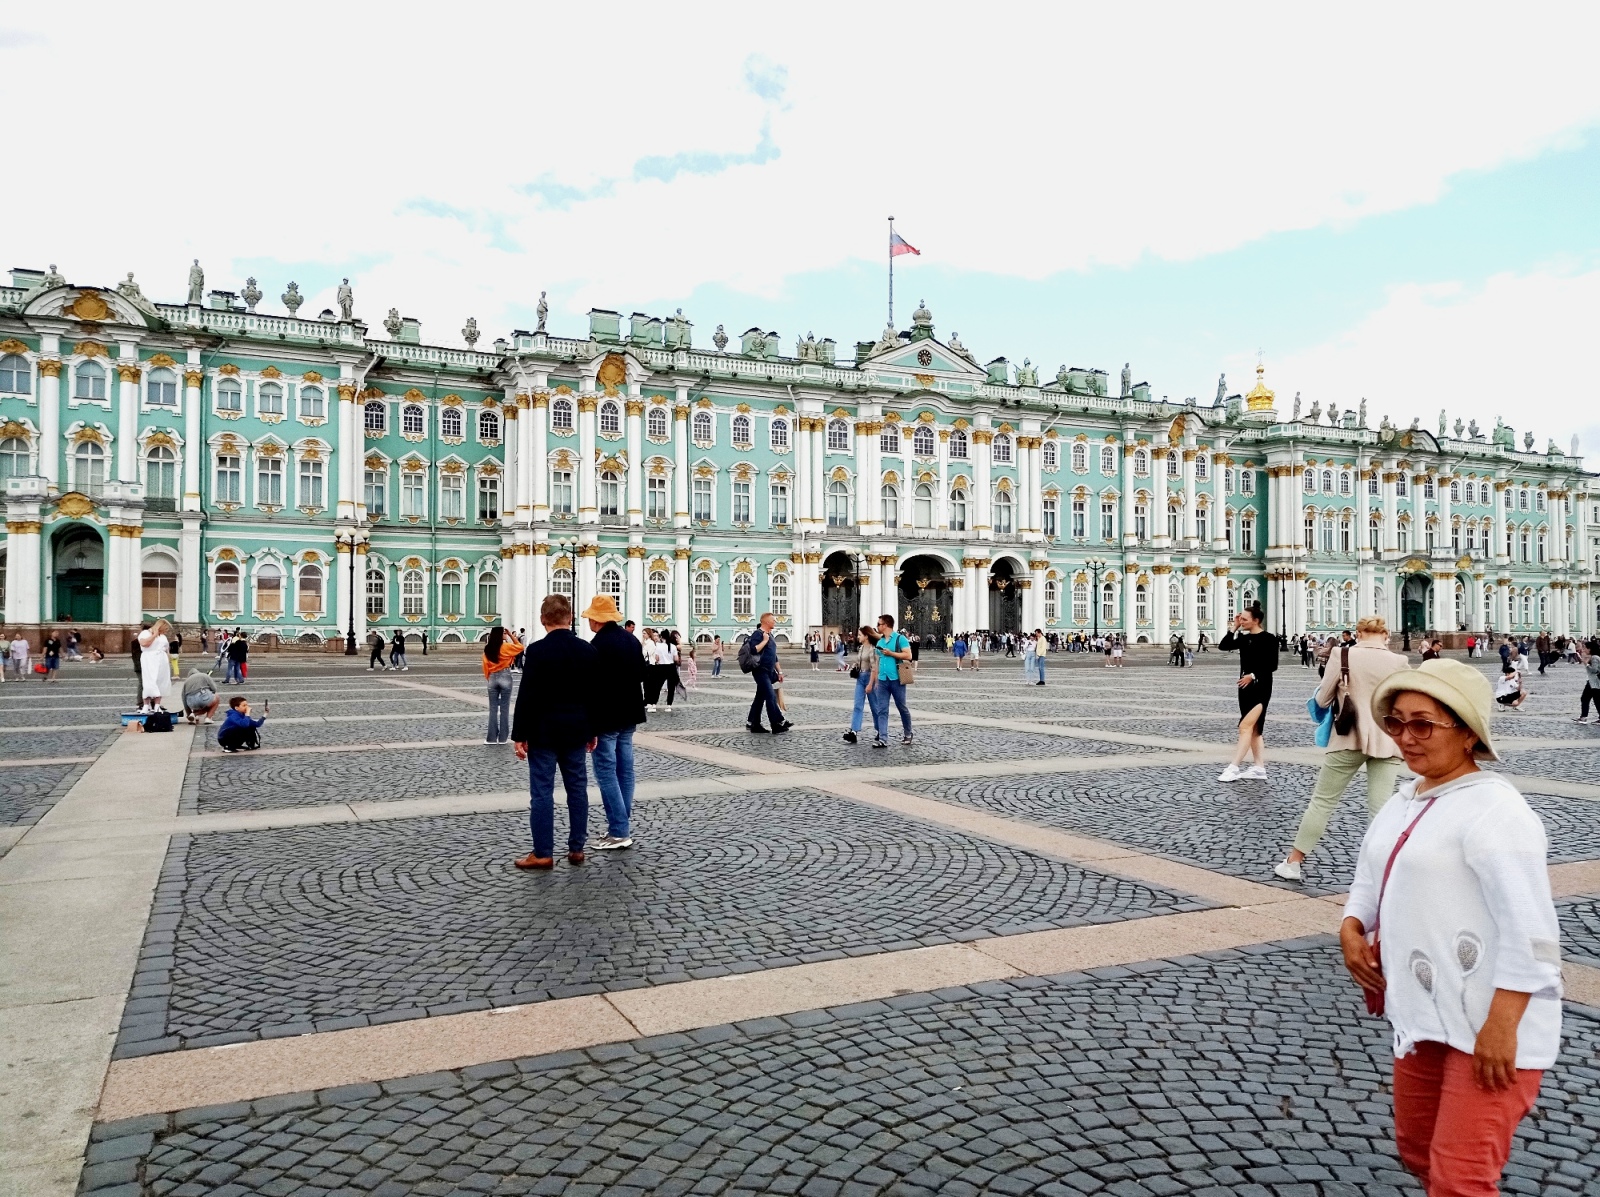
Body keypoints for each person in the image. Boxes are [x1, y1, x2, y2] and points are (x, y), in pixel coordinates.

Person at [1341, 659, 1561, 1197]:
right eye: (1396, 723)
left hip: (1491, 1026)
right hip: (1423, 1016)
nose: (1406, 738)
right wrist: (1352, 924)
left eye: (1424, 724)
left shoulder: (1496, 812)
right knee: (1418, 1150)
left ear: (1466, 733)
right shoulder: (1405, 799)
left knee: (1460, 1179)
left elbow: (1533, 932)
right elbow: (1373, 873)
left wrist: (1501, 1026)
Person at [1274, 616, 1409, 882]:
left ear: (1358, 632)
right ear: (1386, 634)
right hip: (1387, 740)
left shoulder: (1342, 654)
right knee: (1380, 808)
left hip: (1348, 736)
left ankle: (1293, 863)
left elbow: (1322, 698)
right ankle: (1380, 871)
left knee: (1323, 802)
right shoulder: (1399, 662)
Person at [510, 595, 597, 869]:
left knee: (542, 793)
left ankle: (543, 853)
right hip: (576, 732)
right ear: (570, 618)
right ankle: (577, 849)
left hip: (543, 733)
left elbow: (527, 696)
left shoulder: (535, 652)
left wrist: (519, 735)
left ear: (542, 619)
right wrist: (592, 730)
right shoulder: (587, 650)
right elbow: (593, 697)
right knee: (578, 790)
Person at [583, 594, 645, 851]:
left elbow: (591, 687)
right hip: (629, 713)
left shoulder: (596, 645)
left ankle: (619, 830)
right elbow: (642, 673)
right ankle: (619, 825)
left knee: (606, 772)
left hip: (606, 717)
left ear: (596, 620)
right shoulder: (631, 640)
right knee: (625, 771)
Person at [1218, 604, 1277, 782]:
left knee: (1244, 727)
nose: (1241, 621)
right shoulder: (1244, 639)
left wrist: (1252, 675)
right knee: (1255, 731)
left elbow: (1271, 665)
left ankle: (1233, 767)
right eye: (1240, 618)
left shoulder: (1269, 639)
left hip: (1261, 688)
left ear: (1256, 620)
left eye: (1244, 619)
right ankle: (1259, 768)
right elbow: (1223, 645)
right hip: (1244, 688)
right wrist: (1234, 627)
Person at [872, 613, 913, 747]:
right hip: (883, 679)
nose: (877, 626)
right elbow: (877, 661)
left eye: (879, 624)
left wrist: (891, 653)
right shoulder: (880, 641)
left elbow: (908, 655)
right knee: (882, 709)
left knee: (902, 707)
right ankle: (883, 738)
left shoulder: (900, 639)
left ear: (886, 625)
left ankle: (908, 733)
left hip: (897, 679)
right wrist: (876, 678)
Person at [745, 612, 789, 734]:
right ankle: (776, 724)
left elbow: (774, 656)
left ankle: (755, 724)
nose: (775, 622)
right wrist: (764, 641)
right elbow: (754, 650)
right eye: (773, 620)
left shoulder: (771, 635)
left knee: (760, 698)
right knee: (770, 696)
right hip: (760, 670)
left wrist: (779, 671)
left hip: (769, 671)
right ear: (766, 622)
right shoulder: (757, 634)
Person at [482, 625, 522, 744]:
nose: (505, 634)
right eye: (504, 633)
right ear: (501, 635)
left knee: (493, 709)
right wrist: (511, 636)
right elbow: (520, 647)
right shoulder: (506, 647)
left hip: (493, 677)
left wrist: (489, 678)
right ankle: (503, 738)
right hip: (505, 676)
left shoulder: (488, 649)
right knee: (505, 709)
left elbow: (485, 665)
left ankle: (491, 738)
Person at [842, 625, 880, 744]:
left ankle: (880, 730)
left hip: (870, 678)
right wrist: (855, 667)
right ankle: (854, 731)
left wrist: (870, 684)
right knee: (858, 705)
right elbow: (859, 661)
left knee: (875, 707)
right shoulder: (862, 648)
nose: (857, 637)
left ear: (866, 636)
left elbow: (874, 668)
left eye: (859, 635)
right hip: (860, 678)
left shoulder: (873, 649)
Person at [139, 619, 173, 713]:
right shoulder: (146, 633)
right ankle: (146, 705)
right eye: (165, 628)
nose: (166, 631)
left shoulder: (162, 636)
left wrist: (168, 657)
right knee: (149, 680)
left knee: (160, 681)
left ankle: (157, 705)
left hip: (161, 659)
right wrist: (154, 635)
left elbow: (166, 648)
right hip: (150, 658)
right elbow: (144, 643)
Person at [1575, 646, 1600, 723]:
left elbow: (1595, 670)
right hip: (1594, 682)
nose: (1584, 649)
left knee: (1585, 698)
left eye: (1585, 648)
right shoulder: (1595, 657)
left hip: (1593, 682)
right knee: (1596, 700)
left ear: (1590, 649)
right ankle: (1583, 716)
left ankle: (1583, 717)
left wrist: (1587, 664)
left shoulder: (1594, 657)